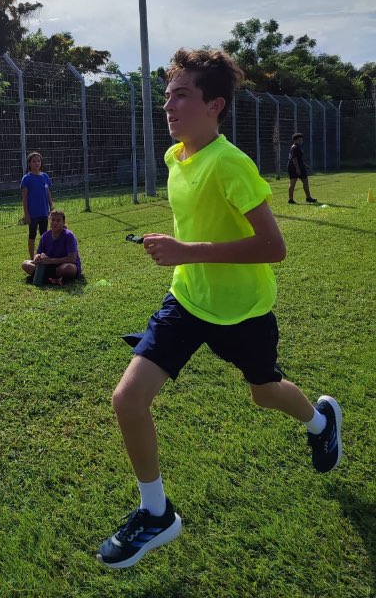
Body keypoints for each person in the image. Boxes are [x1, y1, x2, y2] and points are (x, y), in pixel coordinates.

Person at [97, 48, 342, 570]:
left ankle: (320, 422)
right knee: (128, 399)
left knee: (264, 392)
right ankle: (156, 512)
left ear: (216, 105)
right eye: (167, 96)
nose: (168, 106)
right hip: (187, 300)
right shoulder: (175, 157)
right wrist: (184, 257)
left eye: (181, 95)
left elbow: (274, 247)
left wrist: (187, 251)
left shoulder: (231, 164)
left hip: (244, 309)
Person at [21, 209, 81, 284]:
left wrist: (51, 260)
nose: (55, 222)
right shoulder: (45, 236)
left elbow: (72, 259)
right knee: (25, 264)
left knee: (68, 268)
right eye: (52, 220)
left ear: (63, 222)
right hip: (48, 266)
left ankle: (45, 277)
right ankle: (53, 279)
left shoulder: (69, 236)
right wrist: (37, 257)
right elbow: (37, 253)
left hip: (63, 266)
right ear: (49, 221)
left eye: (58, 220)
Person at [21, 151, 54, 260]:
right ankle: (32, 258)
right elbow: (24, 198)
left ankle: (43, 257)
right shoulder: (27, 178)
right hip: (33, 214)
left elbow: (48, 192)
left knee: (44, 235)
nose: (37, 163)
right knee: (32, 235)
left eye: (39, 161)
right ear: (29, 164)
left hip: (44, 212)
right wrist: (26, 214)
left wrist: (51, 206)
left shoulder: (45, 176)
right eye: (34, 161)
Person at [288, 133, 317, 204]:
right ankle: (291, 200)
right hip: (294, 167)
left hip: (298, 166)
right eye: (299, 139)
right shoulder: (295, 147)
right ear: (295, 140)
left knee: (305, 182)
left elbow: (299, 159)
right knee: (293, 183)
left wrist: (305, 165)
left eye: (302, 139)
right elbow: (294, 159)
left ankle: (308, 198)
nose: (301, 141)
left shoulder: (297, 147)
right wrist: (297, 169)